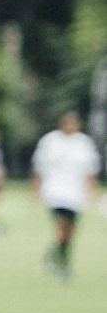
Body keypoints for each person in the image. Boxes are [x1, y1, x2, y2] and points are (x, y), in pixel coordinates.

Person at [32, 111, 101, 279]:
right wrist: (35, 189)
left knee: (70, 231)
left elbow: (91, 170)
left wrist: (92, 191)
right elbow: (38, 167)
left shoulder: (84, 143)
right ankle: (60, 259)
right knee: (61, 225)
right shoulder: (50, 141)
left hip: (75, 194)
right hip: (54, 192)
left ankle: (59, 255)